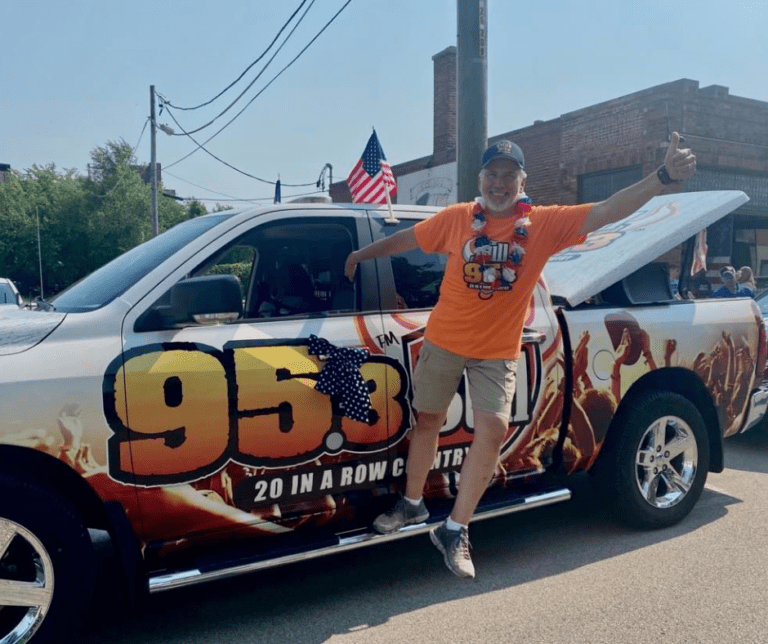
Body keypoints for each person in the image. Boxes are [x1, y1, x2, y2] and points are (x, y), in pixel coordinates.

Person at [344, 132, 696, 579]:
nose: (499, 183)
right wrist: (361, 253)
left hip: (496, 351)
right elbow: (407, 240)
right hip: (443, 340)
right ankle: (412, 504)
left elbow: (609, 210)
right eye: (492, 174)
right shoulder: (456, 219)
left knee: (491, 430)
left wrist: (662, 177)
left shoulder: (545, 224)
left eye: (509, 176)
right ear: (480, 178)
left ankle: (456, 529)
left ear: (522, 182)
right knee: (427, 421)